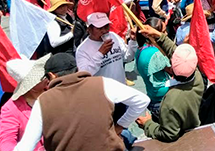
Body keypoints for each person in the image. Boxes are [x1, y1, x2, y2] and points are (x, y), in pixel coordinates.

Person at [13, 53, 149, 151]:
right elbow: (142, 100)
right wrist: (120, 126)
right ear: (76, 69)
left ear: (51, 76)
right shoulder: (103, 83)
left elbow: (26, 146)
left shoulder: (43, 101)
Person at [136, 25, 205, 142]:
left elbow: (169, 134)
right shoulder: (197, 78)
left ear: (171, 67)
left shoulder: (170, 102)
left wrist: (147, 124)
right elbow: (173, 51)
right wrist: (158, 35)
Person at [0, 55, 50, 151]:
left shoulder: (54, 95)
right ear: (33, 87)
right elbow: (7, 140)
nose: (47, 79)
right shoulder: (11, 108)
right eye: (43, 77)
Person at [75, 12, 137, 84]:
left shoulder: (114, 36)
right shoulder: (82, 49)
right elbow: (84, 74)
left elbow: (127, 57)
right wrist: (100, 53)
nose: (104, 31)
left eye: (106, 26)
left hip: (121, 87)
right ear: (89, 29)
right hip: (102, 91)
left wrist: (133, 41)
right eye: (99, 28)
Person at [135, 17, 170, 121]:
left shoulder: (140, 50)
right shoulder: (157, 54)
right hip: (162, 101)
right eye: (163, 32)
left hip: (152, 96)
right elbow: (176, 70)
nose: (166, 34)